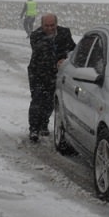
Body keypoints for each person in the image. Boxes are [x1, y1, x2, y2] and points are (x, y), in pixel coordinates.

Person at [26, 12, 75, 142]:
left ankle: (43, 124)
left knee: (50, 101)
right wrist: (56, 60)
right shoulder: (36, 36)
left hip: (55, 74)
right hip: (38, 73)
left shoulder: (65, 33)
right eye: (46, 26)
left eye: (52, 25)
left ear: (56, 24)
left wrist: (65, 59)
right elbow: (44, 51)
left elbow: (72, 49)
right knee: (37, 100)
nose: (49, 28)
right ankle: (34, 129)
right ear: (41, 25)